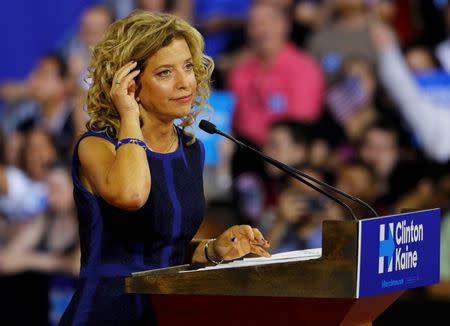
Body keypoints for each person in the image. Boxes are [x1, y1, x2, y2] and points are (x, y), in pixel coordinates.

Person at [59, 10, 270, 325]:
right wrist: (129, 115)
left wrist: (214, 251)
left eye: (187, 66)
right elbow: (131, 195)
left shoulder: (191, 149)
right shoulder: (97, 145)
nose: (185, 82)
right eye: (165, 73)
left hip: (167, 313)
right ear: (130, 83)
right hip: (106, 313)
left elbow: (167, 251)